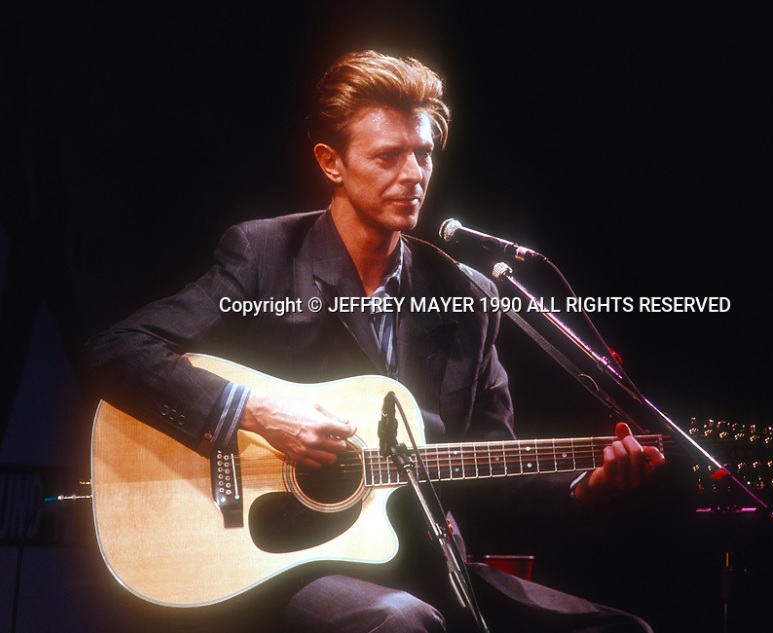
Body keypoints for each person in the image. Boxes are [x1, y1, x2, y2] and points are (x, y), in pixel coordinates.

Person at [82, 50, 665, 633]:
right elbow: (116, 351)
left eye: (423, 154)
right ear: (331, 163)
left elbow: (493, 470)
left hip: (422, 563)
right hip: (281, 563)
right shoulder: (264, 255)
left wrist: (588, 487)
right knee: (400, 623)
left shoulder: (467, 295)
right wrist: (257, 413)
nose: (413, 175)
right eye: (388, 156)